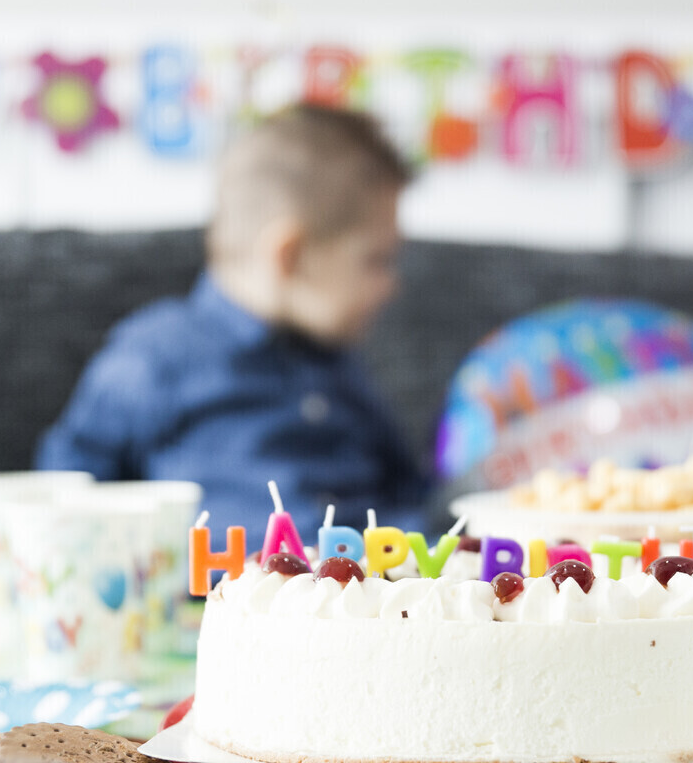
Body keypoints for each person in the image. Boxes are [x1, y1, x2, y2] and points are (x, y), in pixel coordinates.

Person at [36, 103, 430, 542]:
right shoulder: (158, 355)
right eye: (377, 260)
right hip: (225, 594)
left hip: (369, 591)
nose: (391, 286)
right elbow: (70, 488)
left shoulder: (339, 366)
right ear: (290, 255)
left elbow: (408, 489)